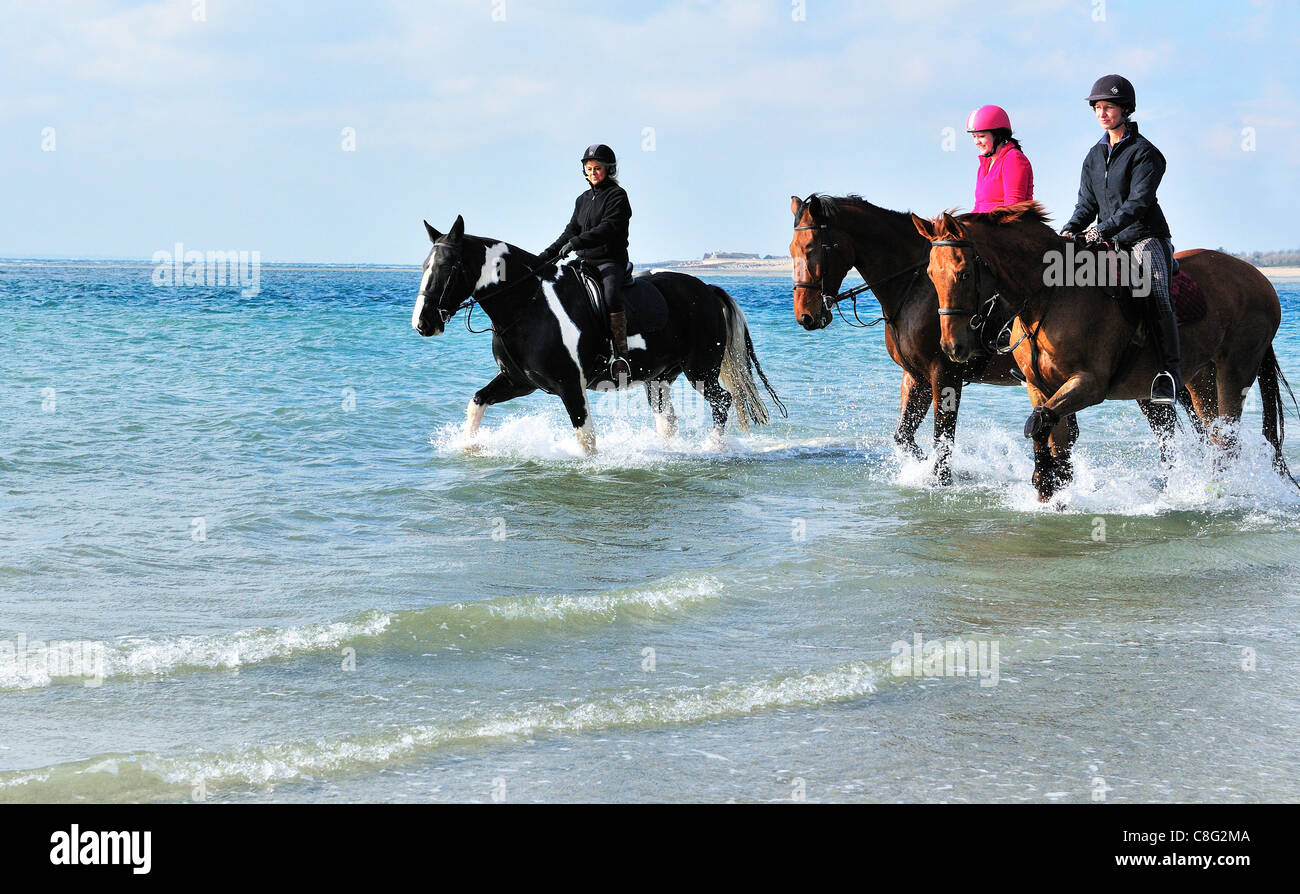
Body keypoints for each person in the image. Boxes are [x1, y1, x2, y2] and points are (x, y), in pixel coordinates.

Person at [1060, 75, 1180, 404]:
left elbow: (1138, 205)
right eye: (1097, 107)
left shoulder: (1146, 154)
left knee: (1155, 290)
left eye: (1108, 107)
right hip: (1110, 241)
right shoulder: (1093, 155)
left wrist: (1102, 230)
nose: (1102, 113)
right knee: (1058, 274)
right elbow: (1086, 204)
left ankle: (1170, 373)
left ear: (1125, 109)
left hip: (1145, 237)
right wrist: (1070, 229)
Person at [540, 144, 633, 379]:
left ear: (609, 169)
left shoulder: (618, 196)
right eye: (589, 168)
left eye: (597, 168)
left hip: (609, 262)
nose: (592, 172)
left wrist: (577, 243)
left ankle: (621, 355)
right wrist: (544, 257)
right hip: (585, 263)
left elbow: (608, 228)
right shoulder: (582, 200)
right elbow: (570, 231)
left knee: (611, 295)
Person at [967, 105, 1034, 212]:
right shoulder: (984, 164)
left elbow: (1013, 207)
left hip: (1008, 226)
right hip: (986, 226)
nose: (976, 142)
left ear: (998, 136)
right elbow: (978, 206)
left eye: (981, 136)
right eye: (974, 136)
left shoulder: (1013, 159)